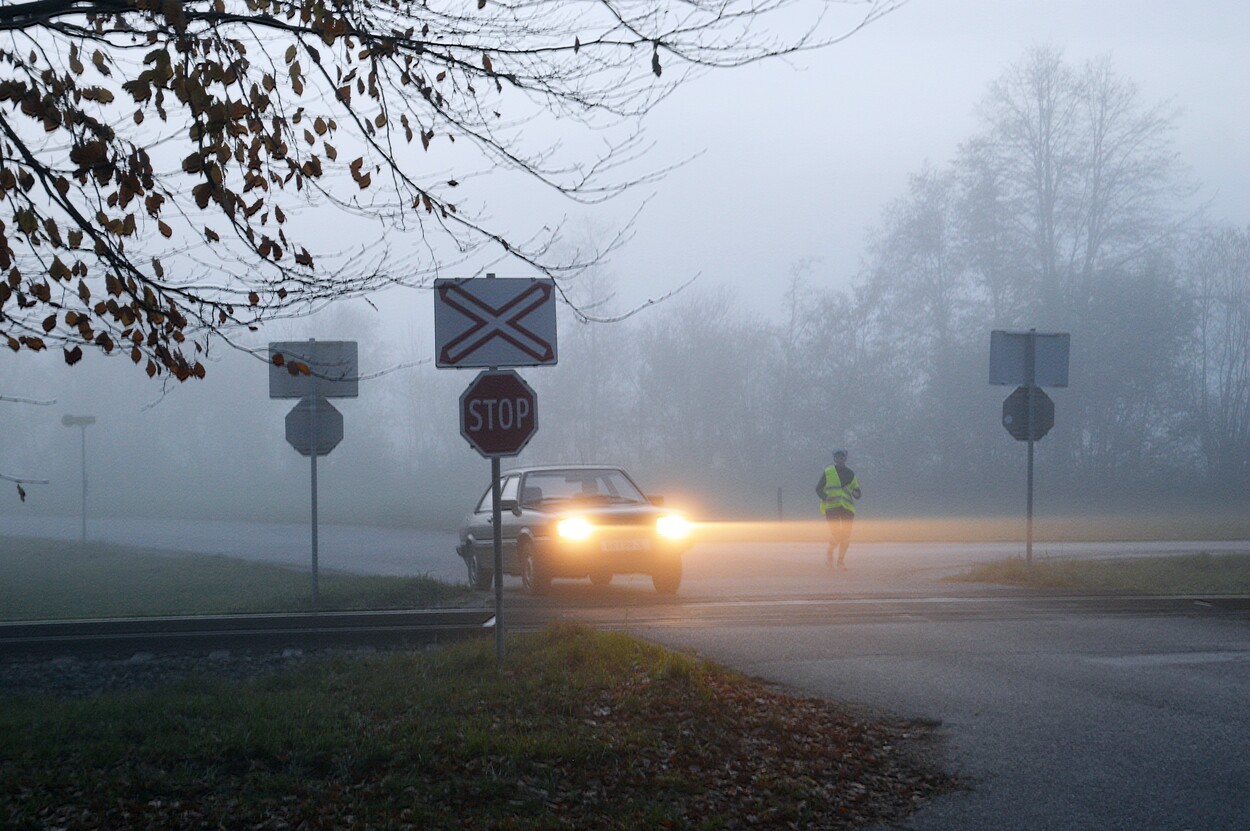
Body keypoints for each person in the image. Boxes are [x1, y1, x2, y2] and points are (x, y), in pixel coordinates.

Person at [816, 448, 861, 569]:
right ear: (834, 459)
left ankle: (840, 561)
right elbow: (818, 489)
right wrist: (825, 497)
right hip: (832, 508)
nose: (840, 459)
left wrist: (857, 493)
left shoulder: (850, 473)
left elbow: (856, 490)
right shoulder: (828, 471)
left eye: (842, 457)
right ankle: (830, 552)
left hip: (847, 508)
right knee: (836, 534)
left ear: (845, 458)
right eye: (838, 457)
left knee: (845, 535)